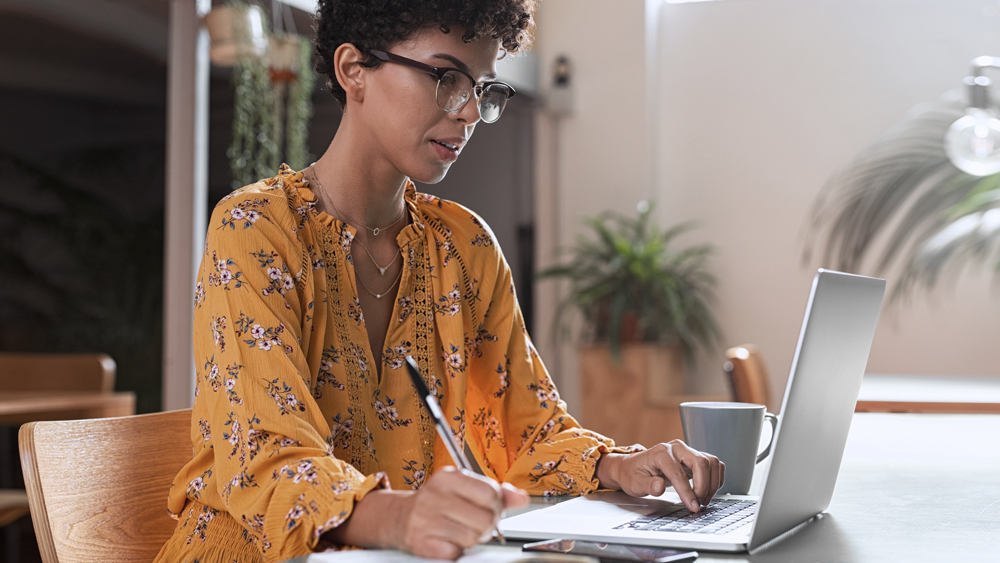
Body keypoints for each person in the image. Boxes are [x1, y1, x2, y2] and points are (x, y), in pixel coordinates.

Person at [154, 1, 724, 562]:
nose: (471, 112)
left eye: (481, 88)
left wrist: (618, 466)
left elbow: (527, 432)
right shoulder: (256, 229)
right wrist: (402, 517)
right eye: (448, 78)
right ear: (353, 70)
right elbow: (266, 455)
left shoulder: (464, 245)